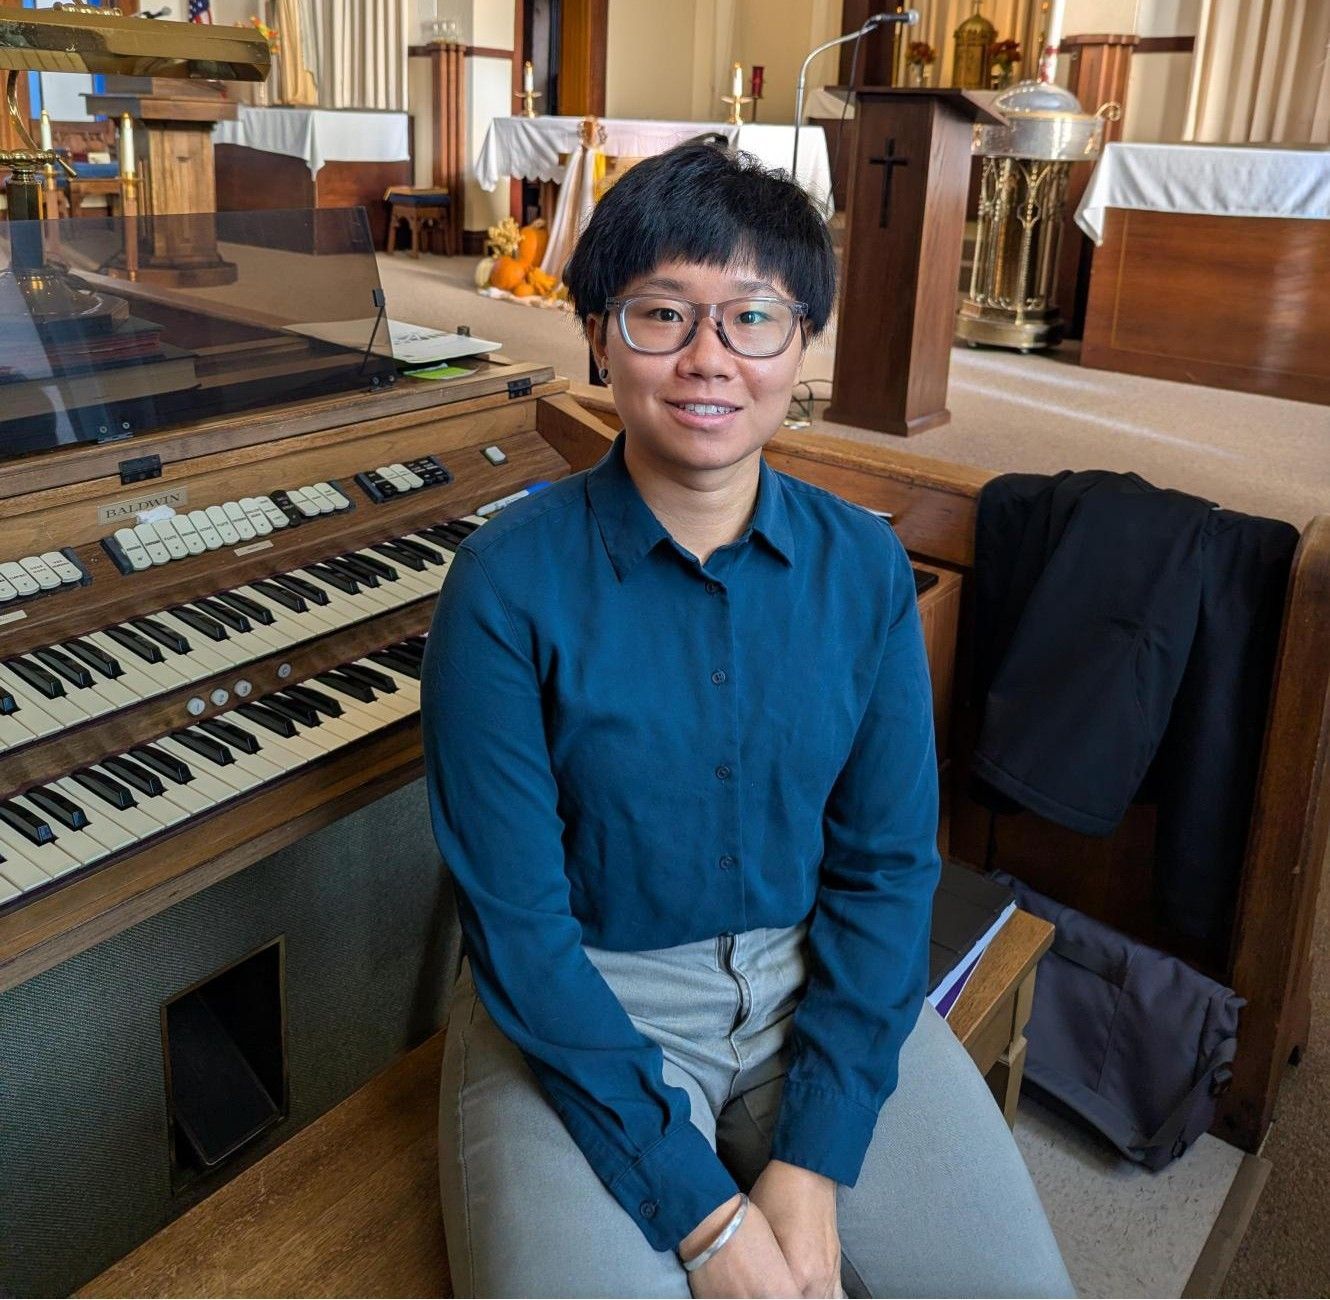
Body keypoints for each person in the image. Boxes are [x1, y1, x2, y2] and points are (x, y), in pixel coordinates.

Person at [421, 141, 1072, 1299]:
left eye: (753, 317)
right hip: (581, 1002)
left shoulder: (861, 565)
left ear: (800, 342)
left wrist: (811, 1165)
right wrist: (706, 1222)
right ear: (598, 335)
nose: (708, 358)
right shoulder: (504, 582)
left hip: (814, 980)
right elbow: (517, 929)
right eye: (661, 313)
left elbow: (885, 867)